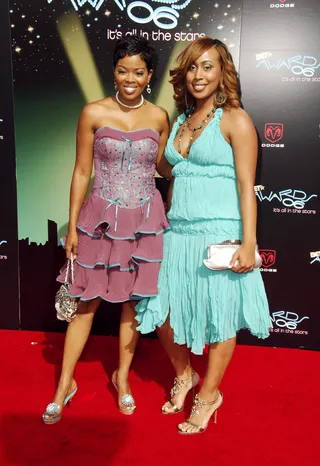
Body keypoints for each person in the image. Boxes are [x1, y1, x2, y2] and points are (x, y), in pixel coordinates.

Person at [136, 37, 272, 434]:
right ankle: (185, 375)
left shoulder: (236, 120)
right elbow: (169, 170)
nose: (199, 75)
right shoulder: (180, 120)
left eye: (208, 66)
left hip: (220, 233)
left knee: (220, 318)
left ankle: (209, 395)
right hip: (178, 232)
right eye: (193, 67)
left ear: (222, 71)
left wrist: (248, 243)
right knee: (161, 312)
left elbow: (247, 187)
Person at [42, 35, 171, 424]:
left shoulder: (160, 117)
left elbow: (164, 168)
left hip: (145, 222)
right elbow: (82, 170)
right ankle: (64, 384)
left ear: (149, 75)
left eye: (138, 72)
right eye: (122, 70)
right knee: (86, 304)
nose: (129, 78)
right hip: (100, 221)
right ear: (113, 72)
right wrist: (74, 227)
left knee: (133, 306)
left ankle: (123, 379)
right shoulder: (93, 112)